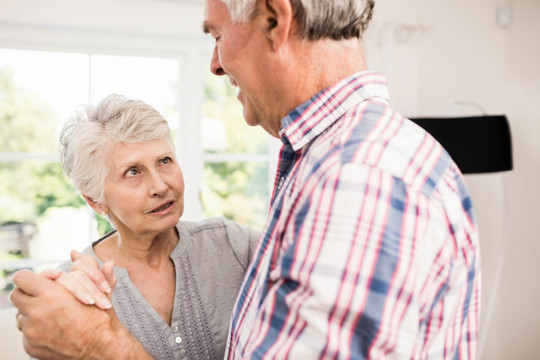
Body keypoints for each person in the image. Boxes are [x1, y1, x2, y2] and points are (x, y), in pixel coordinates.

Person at [11, 0, 481, 359]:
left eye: (217, 34)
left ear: (275, 19)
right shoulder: (339, 163)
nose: (214, 64)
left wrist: (99, 344)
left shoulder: (357, 179)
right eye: (133, 172)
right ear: (95, 200)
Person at [14, 93, 260, 360]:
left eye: (164, 161)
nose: (160, 186)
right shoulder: (76, 290)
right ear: (95, 201)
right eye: (133, 171)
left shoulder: (233, 244)